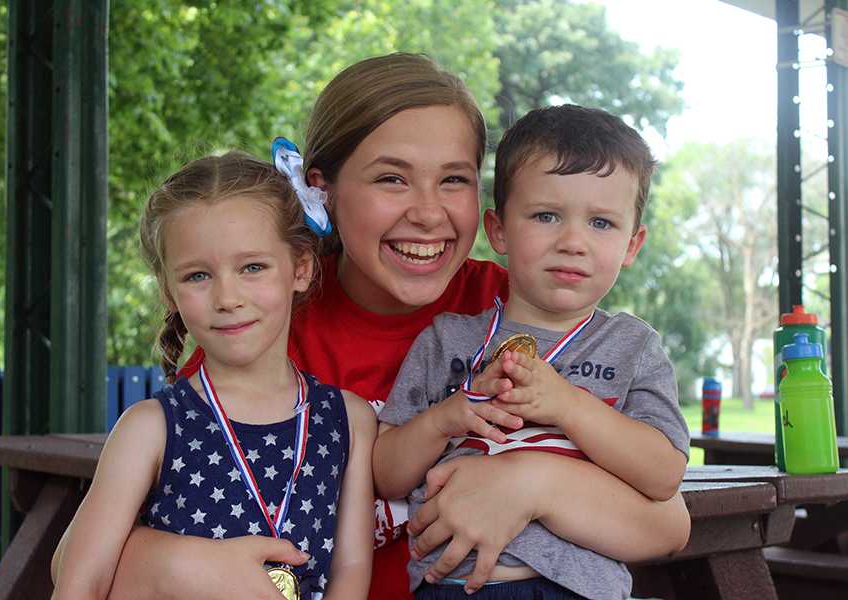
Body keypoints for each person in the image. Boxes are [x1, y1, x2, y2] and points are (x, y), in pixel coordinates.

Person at [52, 54, 691, 600]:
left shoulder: (519, 312)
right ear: (320, 190)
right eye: (391, 178)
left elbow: (666, 522)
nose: (427, 212)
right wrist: (174, 562)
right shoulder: (261, 327)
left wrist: (534, 482)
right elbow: (97, 549)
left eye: (454, 180)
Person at [374, 104, 690, 599]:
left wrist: (567, 404)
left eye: (602, 223)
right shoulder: (448, 339)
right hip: (453, 588)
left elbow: (664, 474)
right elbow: (386, 474)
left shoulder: (633, 348)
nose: (573, 242)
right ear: (497, 230)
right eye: (547, 215)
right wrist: (445, 418)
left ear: (633, 244)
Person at [51, 151, 376, 600]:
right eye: (198, 275)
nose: (227, 297)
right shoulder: (149, 428)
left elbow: (351, 572)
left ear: (300, 267)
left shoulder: (350, 419)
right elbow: (78, 583)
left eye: (252, 267)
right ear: (169, 291)